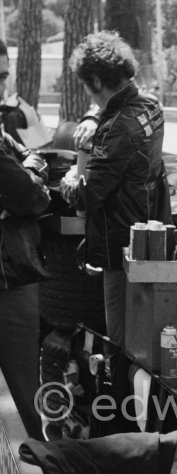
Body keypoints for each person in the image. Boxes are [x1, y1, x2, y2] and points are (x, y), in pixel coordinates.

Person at [60, 31, 170, 348]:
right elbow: (108, 108)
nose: (88, 94)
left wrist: (67, 179)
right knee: (147, 335)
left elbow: (85, 194)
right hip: (152, 234)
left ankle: (122, 396)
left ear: (95, 80)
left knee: (123, 341)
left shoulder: (116, 128)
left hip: (119, 248)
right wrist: (92, 117)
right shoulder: (151, 106)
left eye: (86, 85)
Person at [0, 39, 51, 438]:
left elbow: (32, 155)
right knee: (21, 394)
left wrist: (28, 167)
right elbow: (30, 196)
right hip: (7, 277)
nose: (2, 87)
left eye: (4, 77)